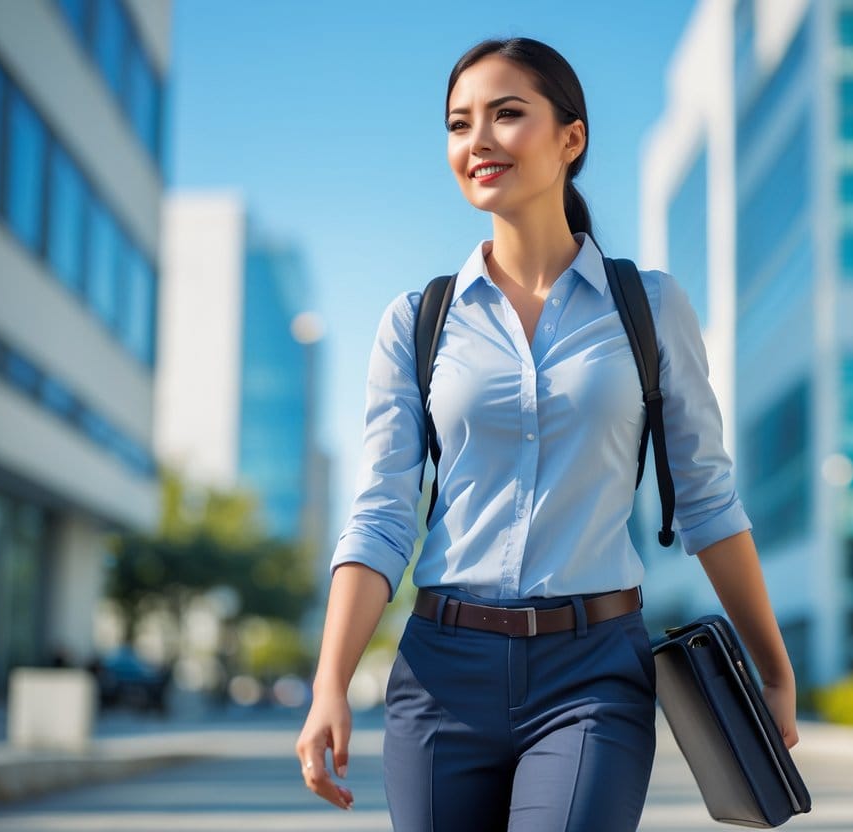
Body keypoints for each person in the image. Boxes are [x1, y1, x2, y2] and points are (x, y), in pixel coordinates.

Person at [295, 36, 799, 831]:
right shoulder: (417, 320)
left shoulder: (649, 306)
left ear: (572, 137)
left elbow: (707, 500)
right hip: (440, 672)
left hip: (594, 673)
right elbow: (383, 515)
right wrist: (330, 683)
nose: (478, 141)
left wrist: (771, 668)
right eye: (460, 124)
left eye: (506, 115)